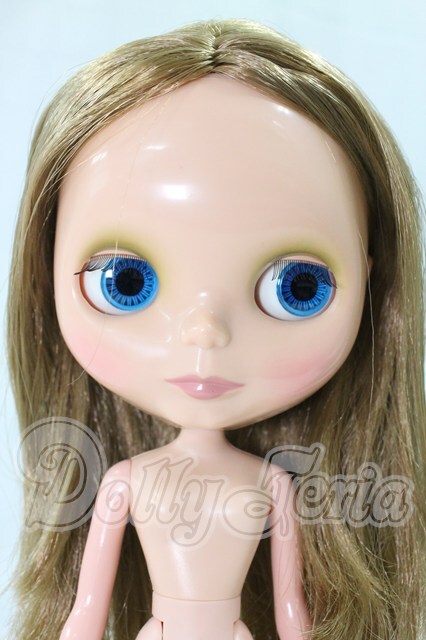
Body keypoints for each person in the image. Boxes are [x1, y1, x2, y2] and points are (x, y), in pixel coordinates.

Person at [7, 19, 425, 640]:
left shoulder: (270, 484)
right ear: (45, 266)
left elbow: (292, 611)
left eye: (297, 287)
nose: (204, 332)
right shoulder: (126, 481)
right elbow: (86, 609)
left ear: (372, 280)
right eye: (125, 281)